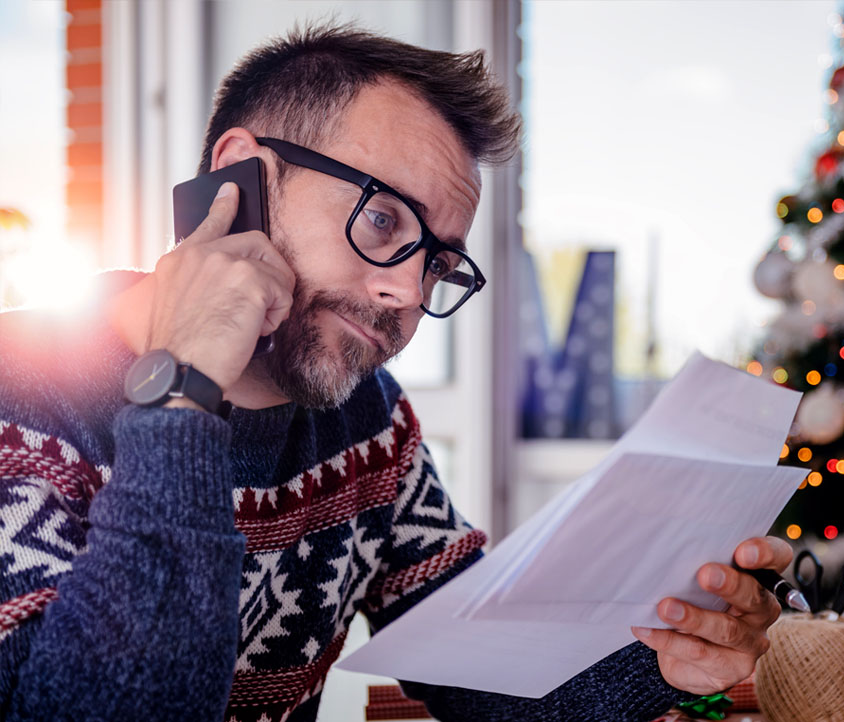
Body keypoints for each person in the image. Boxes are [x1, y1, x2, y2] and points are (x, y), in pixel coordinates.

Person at [0, 22, 791, 722]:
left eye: (439, 263)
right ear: (241, 176)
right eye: (382, 220)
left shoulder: (369, 424)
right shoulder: (18, 395)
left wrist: (665, 661)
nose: (407, 293)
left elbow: (482, 682)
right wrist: (183, 395)